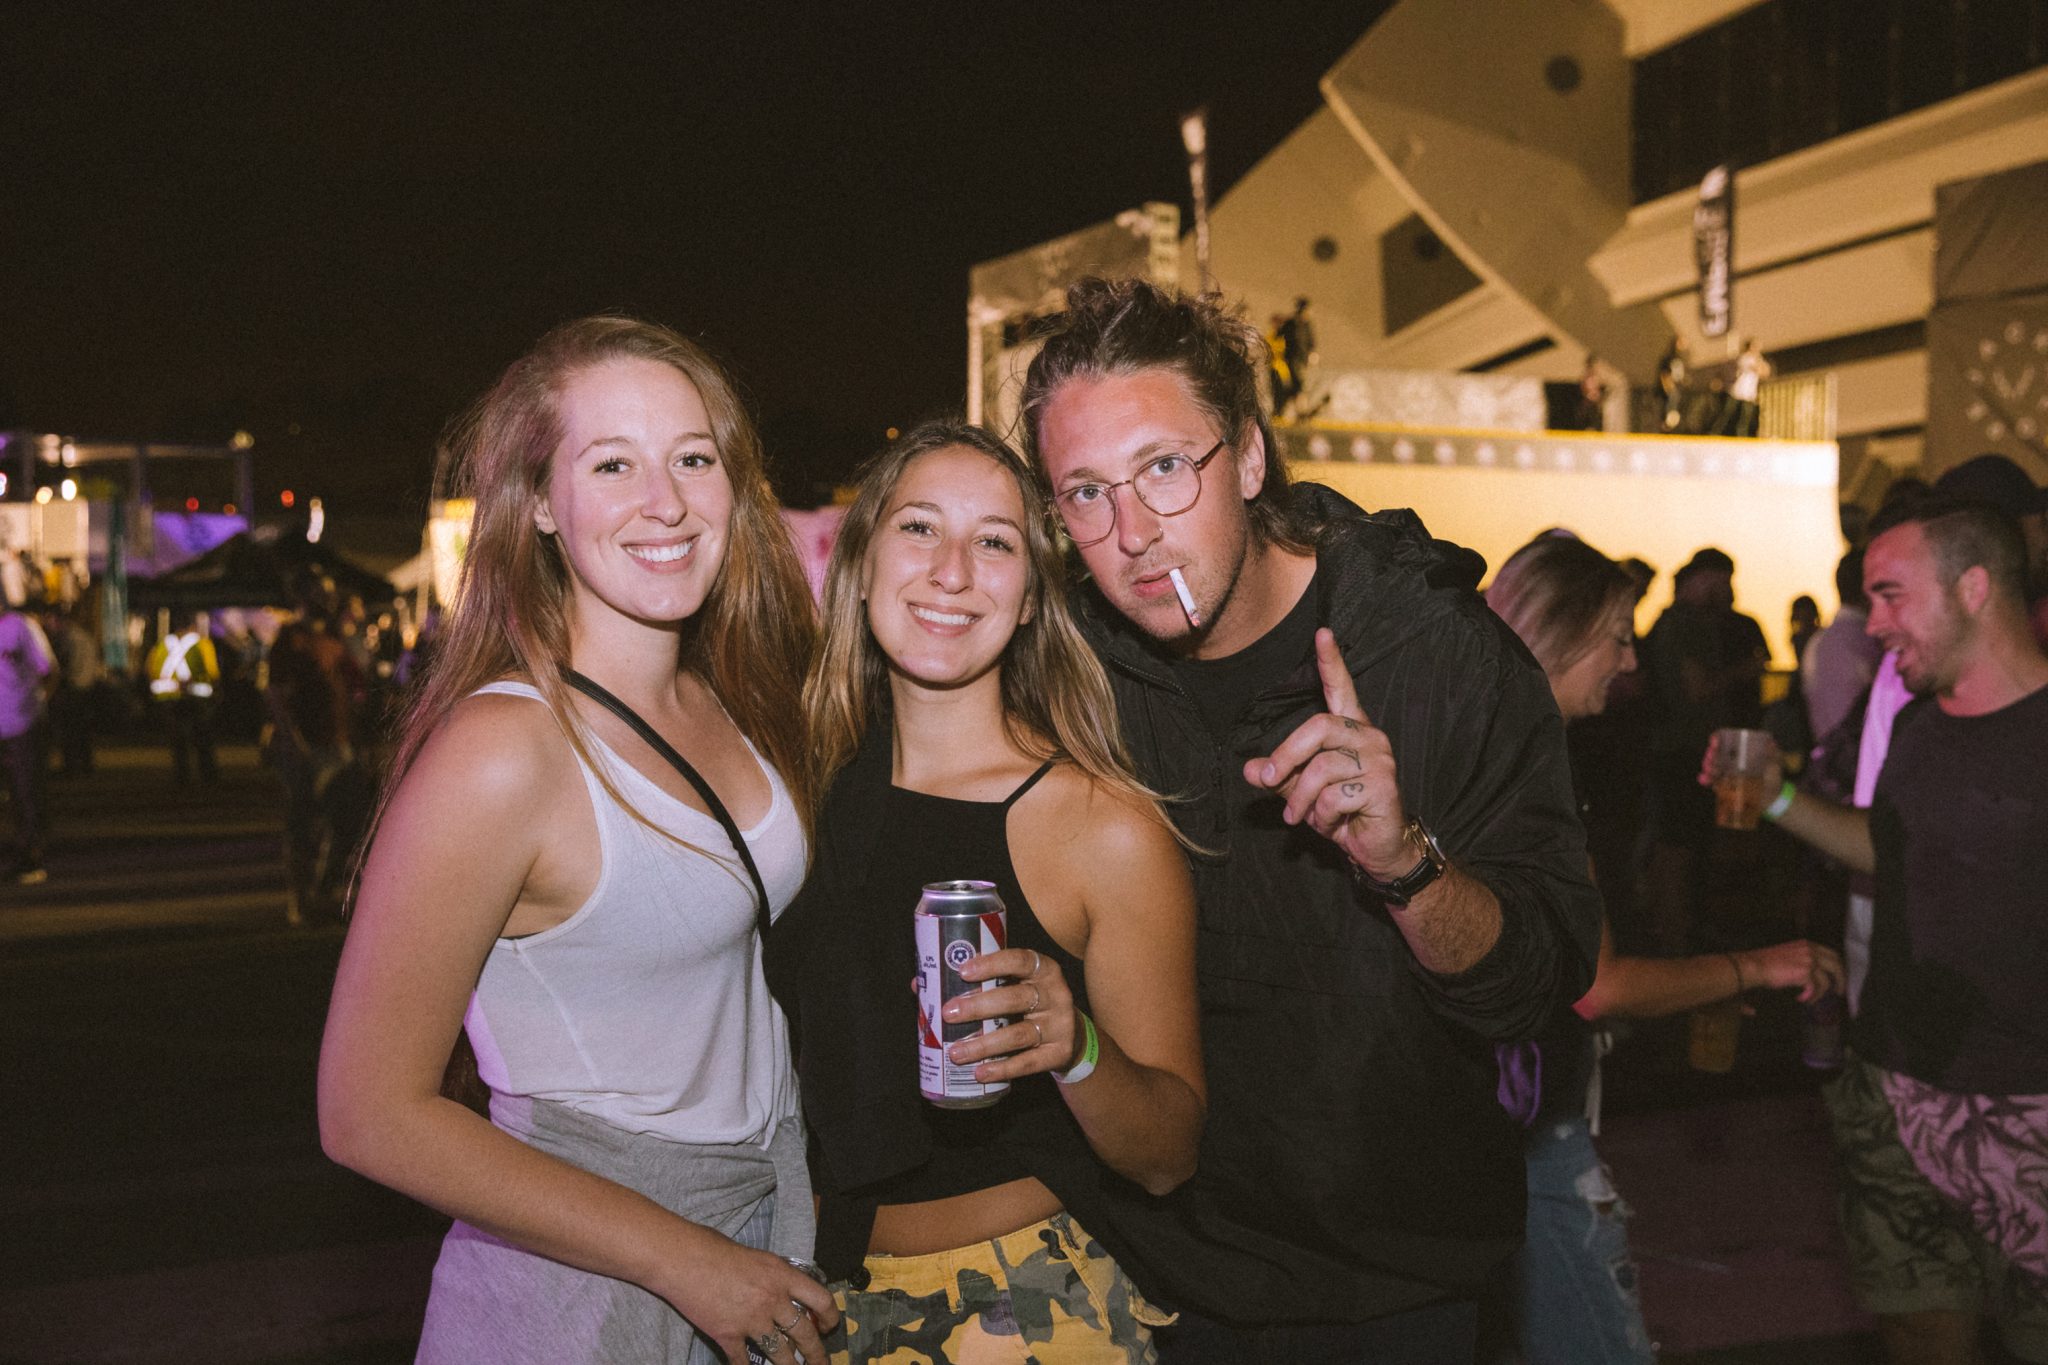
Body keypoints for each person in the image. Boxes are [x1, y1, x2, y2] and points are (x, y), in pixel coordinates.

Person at [1019, 276, 1602, 1362]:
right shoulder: (1071, 673)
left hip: (1388, 1284)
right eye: (1085, 492)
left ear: (1248, 458)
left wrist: (1403, 861)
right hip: (1140, 1276)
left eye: (1163, 467)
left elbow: (1535, 987)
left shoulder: (1434, 654)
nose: (1131, 532)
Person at [317, 316, 838, 1365]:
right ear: (541, 505)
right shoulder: (504, 751)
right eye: (612, 464)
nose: (665, 501)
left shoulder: (725, 695)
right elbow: (365, 1112)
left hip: (755, 1219)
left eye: (693, 458)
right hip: (582, 1274)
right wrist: (688, 1261)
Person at [770, 421, 1204, 1363]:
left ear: (1034, 596)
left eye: (996, 541)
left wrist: (1077, 1047)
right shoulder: (789, 791)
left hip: (1017, 1310)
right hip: (802, 1297)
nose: (953, 571)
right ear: (861, 562)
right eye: (919, 527)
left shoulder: (1102, 825)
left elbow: (1169, 1156)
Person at [1701, 493, 2048, 1365]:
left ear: (1974, 587)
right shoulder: (1920, 726)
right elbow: (1891, 852)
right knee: (1920, 1334)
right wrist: (1778, 796)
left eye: (1891, 594)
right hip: (1894, 1097)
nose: (1874, 621)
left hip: (2030, 1113)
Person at [1482, 532, 1844, 1365]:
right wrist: (1761, 964)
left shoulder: (1490, 741)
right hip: (1526, 1120)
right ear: (1560, 633)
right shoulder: (1522, 767)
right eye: (1617, 635)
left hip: (1495, 1116)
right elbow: (1598, 984)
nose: (1629, 658)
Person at [1639, 546, 1769, 951]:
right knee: (1679, 847)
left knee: (1683, 844)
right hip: (1682, 751)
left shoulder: (1680, 622)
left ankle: (1674, 932)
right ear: (1699, 580)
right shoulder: (1684, 625)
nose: (1726, 592)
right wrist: (1744, 672)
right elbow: (1696, 689)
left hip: (1682, 750)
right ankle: (1675, 938)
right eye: (1720, 582)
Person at [0, 598, 55, 883]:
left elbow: (48, 670)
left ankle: (30, 857)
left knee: (25, 792)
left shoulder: (20, 627)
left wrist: (35, 706)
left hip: (22, 725)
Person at [145, 611, 221, 784]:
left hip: (168, 697)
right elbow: (213, 672)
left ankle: (182, 775)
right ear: (193, 625)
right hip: (196, 697)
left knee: (178, 738)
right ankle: (207, 774)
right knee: (202, 737)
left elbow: (150, 669)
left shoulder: (162, 644)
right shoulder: (202, 643)